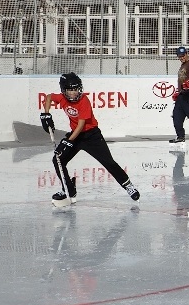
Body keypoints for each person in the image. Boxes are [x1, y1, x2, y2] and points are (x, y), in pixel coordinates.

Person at [40, 73, 139, 207]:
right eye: (71, 89)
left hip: (91, 136)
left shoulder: (84, 101)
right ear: (64, 91)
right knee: (58, 160)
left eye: (76, 89)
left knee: (108, 162)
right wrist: (46, 114)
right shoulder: (62, 98)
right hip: (76, 136)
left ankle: (128, 185)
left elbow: (81, 125)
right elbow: (49, 97)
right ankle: (69, 190)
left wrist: (68, 141)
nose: (75, 92)